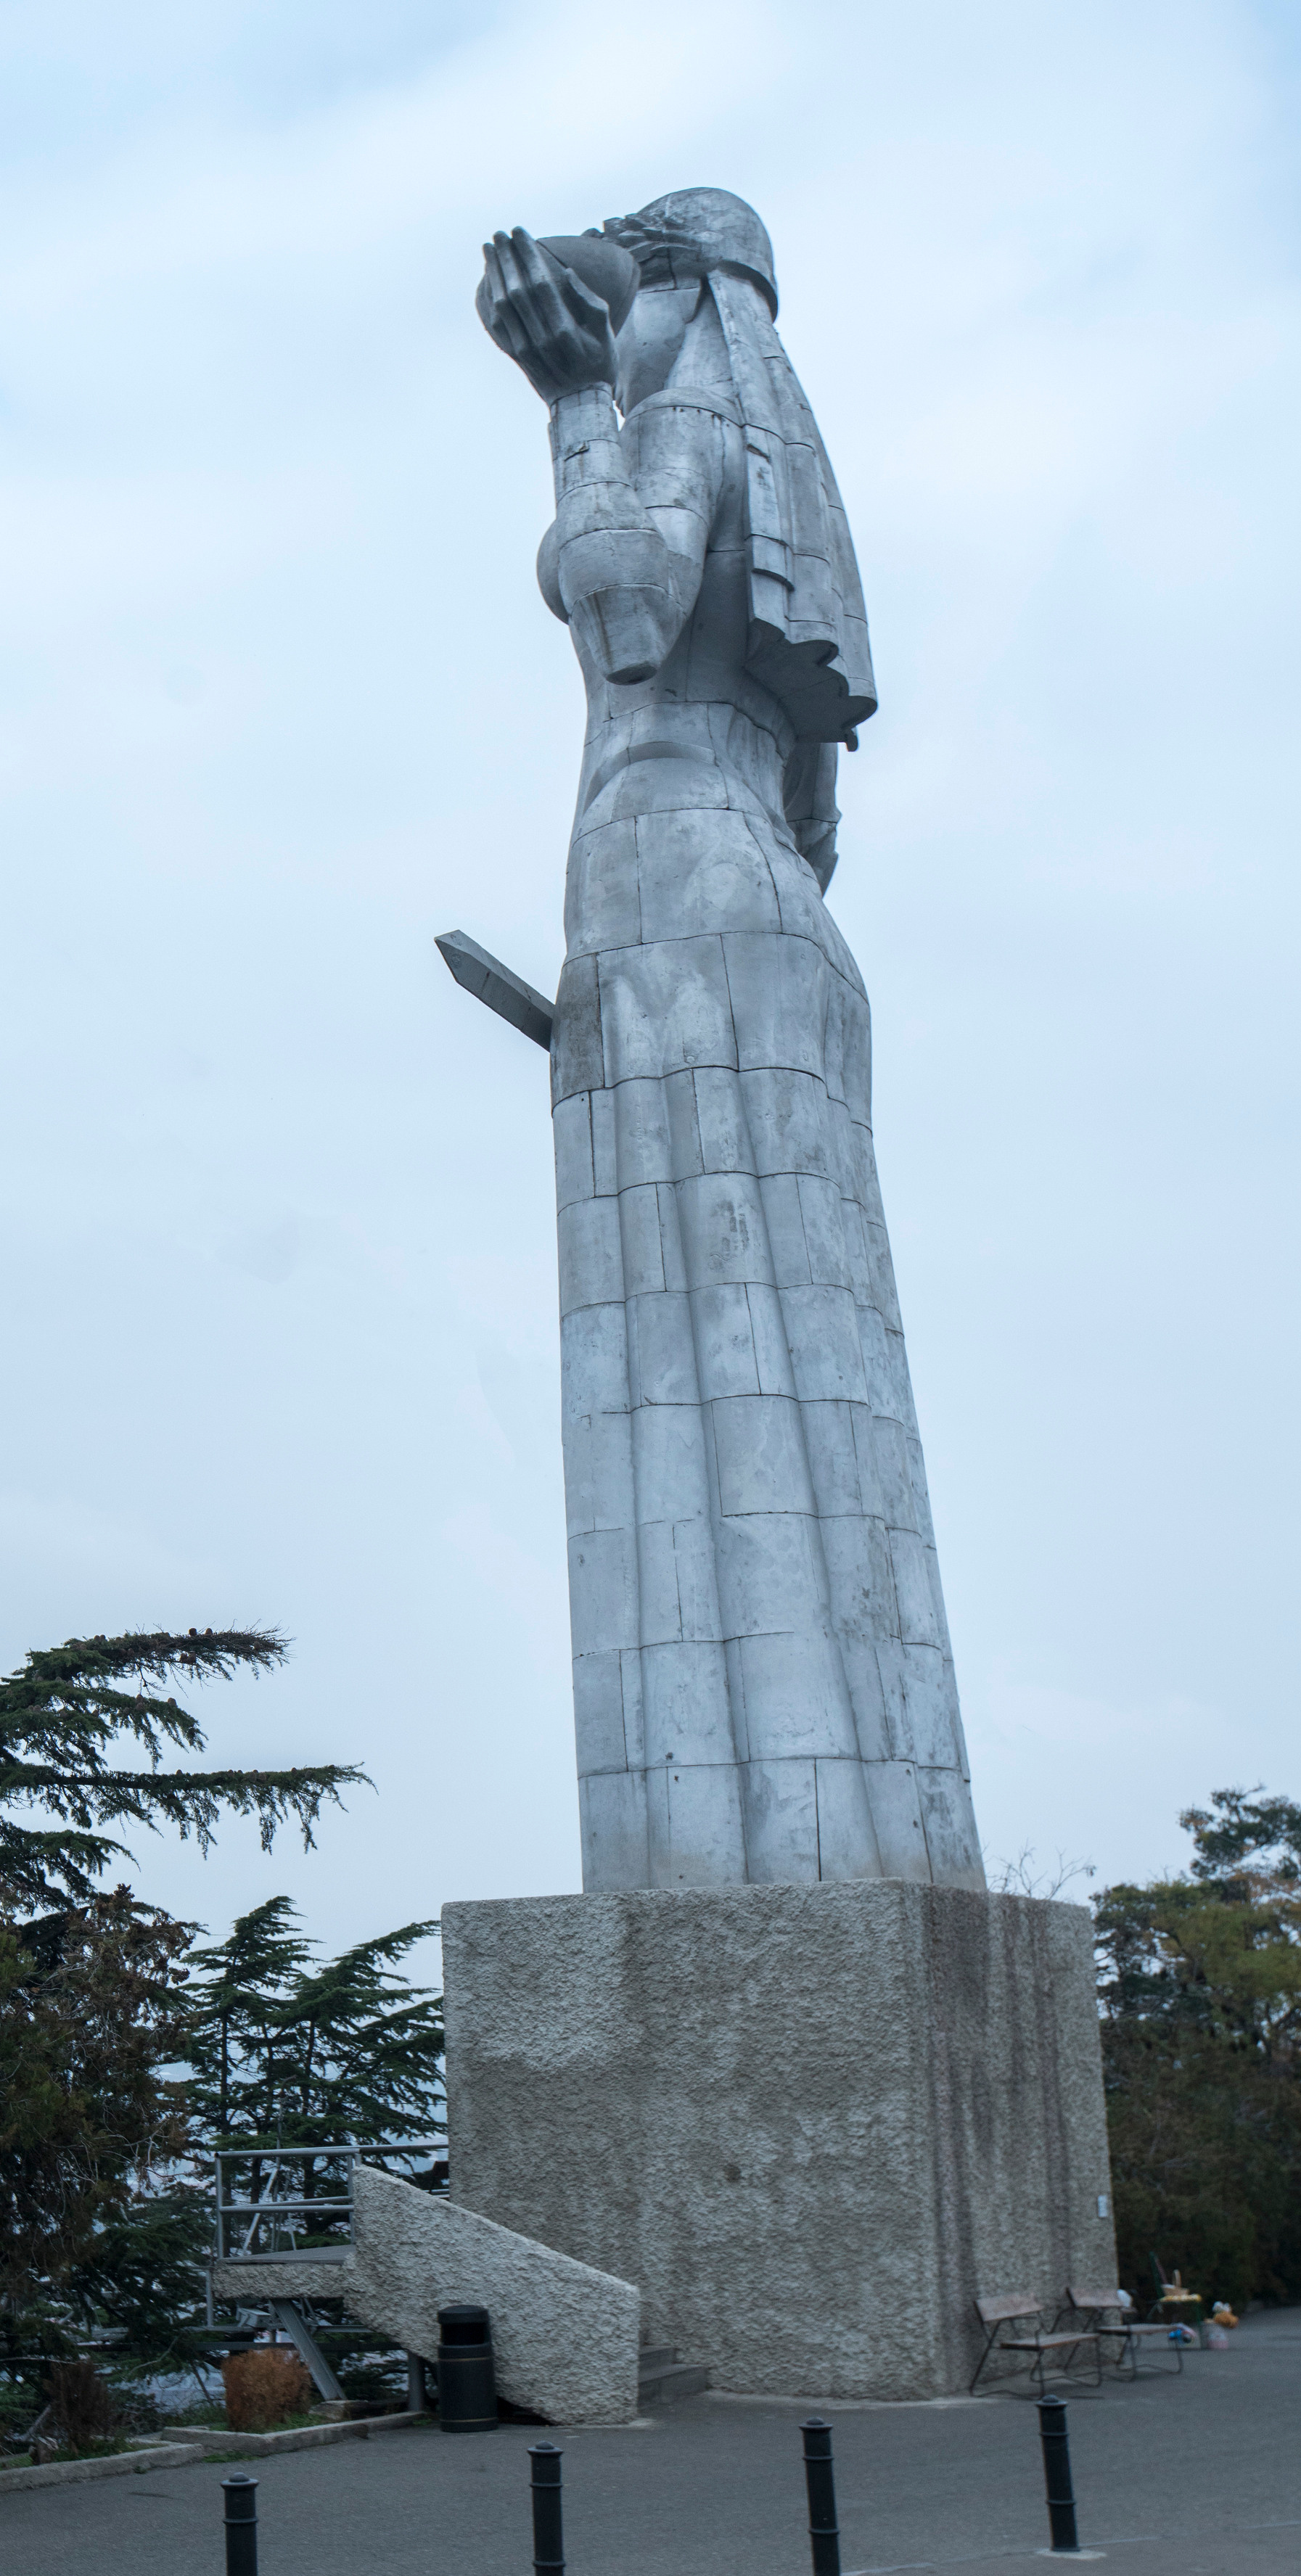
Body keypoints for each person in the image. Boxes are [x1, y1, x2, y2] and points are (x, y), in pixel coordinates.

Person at [476, 190, 983, 1890]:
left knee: (701, 1388)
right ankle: (842, 1856)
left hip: (675, 897)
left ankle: (735, 1876)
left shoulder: (676, 416)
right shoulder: (769, 482)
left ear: (679, 304)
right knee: (784, 1395)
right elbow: (816, 811)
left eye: (618, 302)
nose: (601, 334)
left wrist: (565, 409)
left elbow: (619, 608)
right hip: (761, 901)